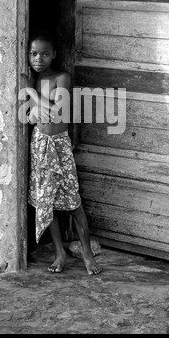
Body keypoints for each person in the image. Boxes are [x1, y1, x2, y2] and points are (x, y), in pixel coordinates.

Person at [22, 31, 101, 276]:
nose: (39, 59)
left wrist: (32, 95)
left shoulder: (61, 78)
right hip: (40, 144)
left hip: (59, 144)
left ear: (53, 54)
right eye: (34, 54)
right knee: (49, 202)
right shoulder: (30, 80)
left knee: (73, 202)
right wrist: (32, 109)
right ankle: (60, 253)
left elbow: (59, 111)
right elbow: (29, 117)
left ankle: (87, 253)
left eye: (45, 54)